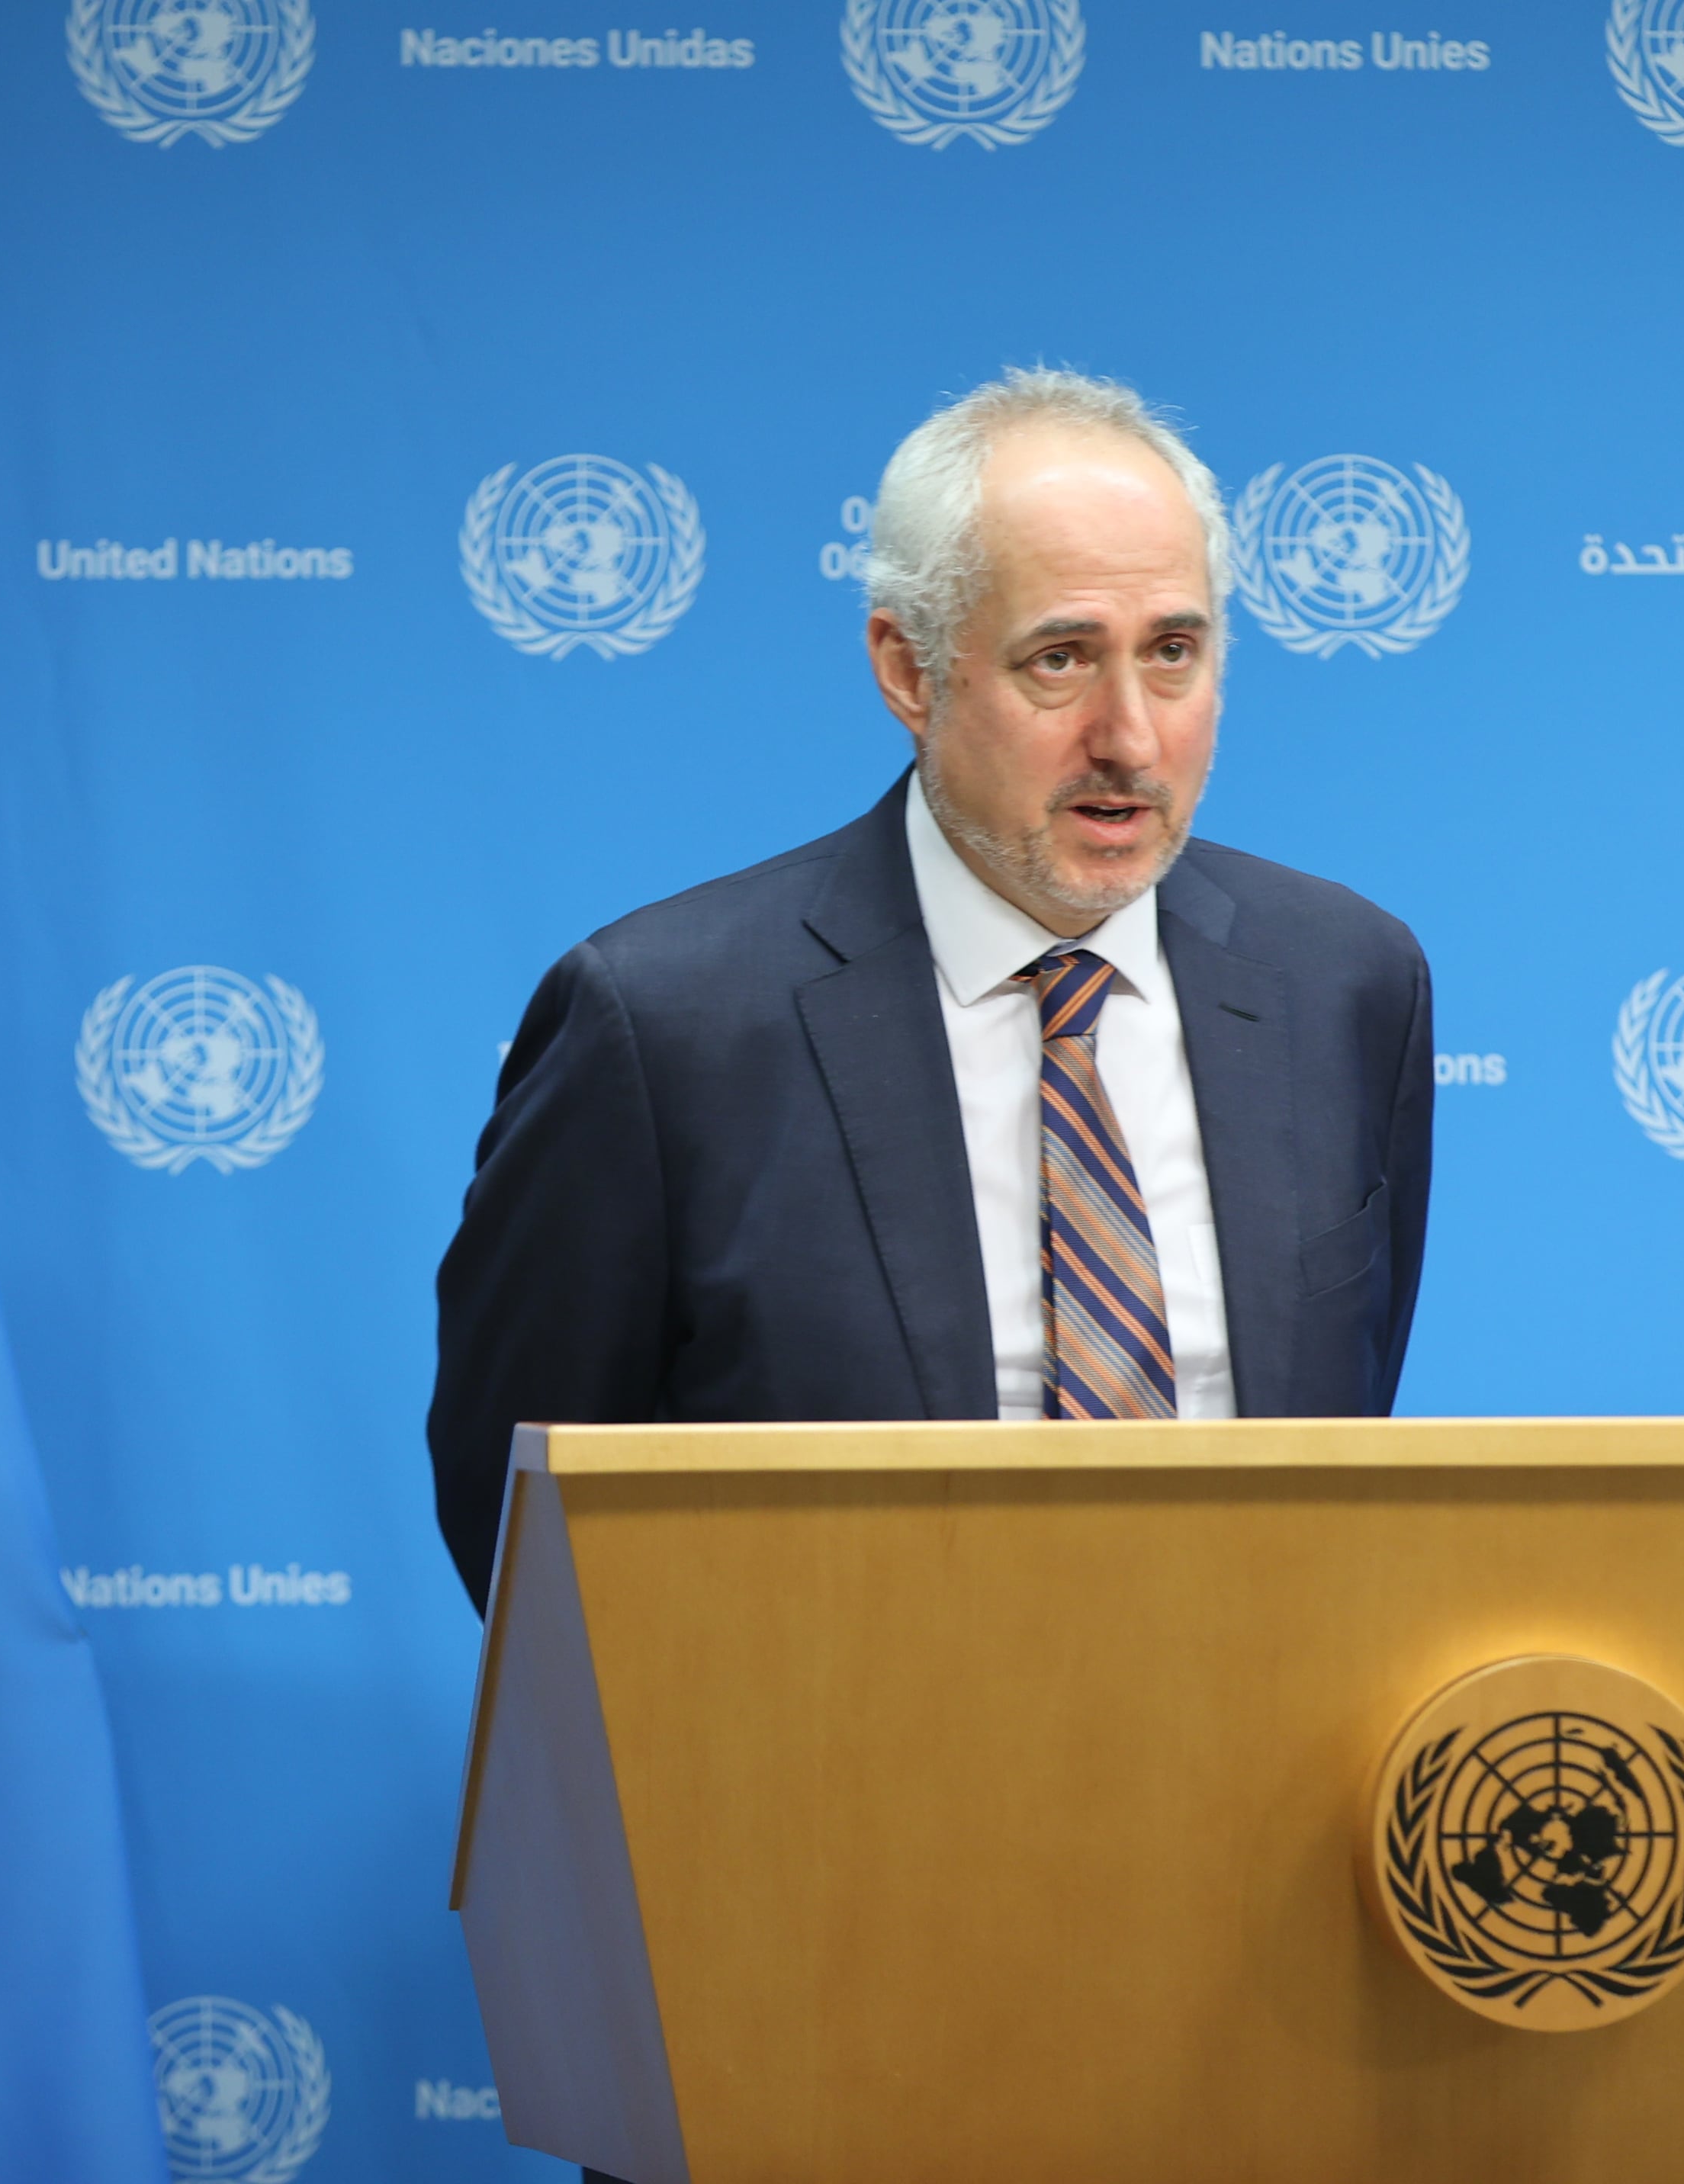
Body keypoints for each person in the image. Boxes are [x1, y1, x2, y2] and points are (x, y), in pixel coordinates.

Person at [429, 365, 1432, 1611]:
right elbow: (524, 1515)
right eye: (1061, 660)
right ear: (910, 671)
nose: (1129, 736)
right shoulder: (663, 1027)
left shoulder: (1344, 983)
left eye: (1174, 652)